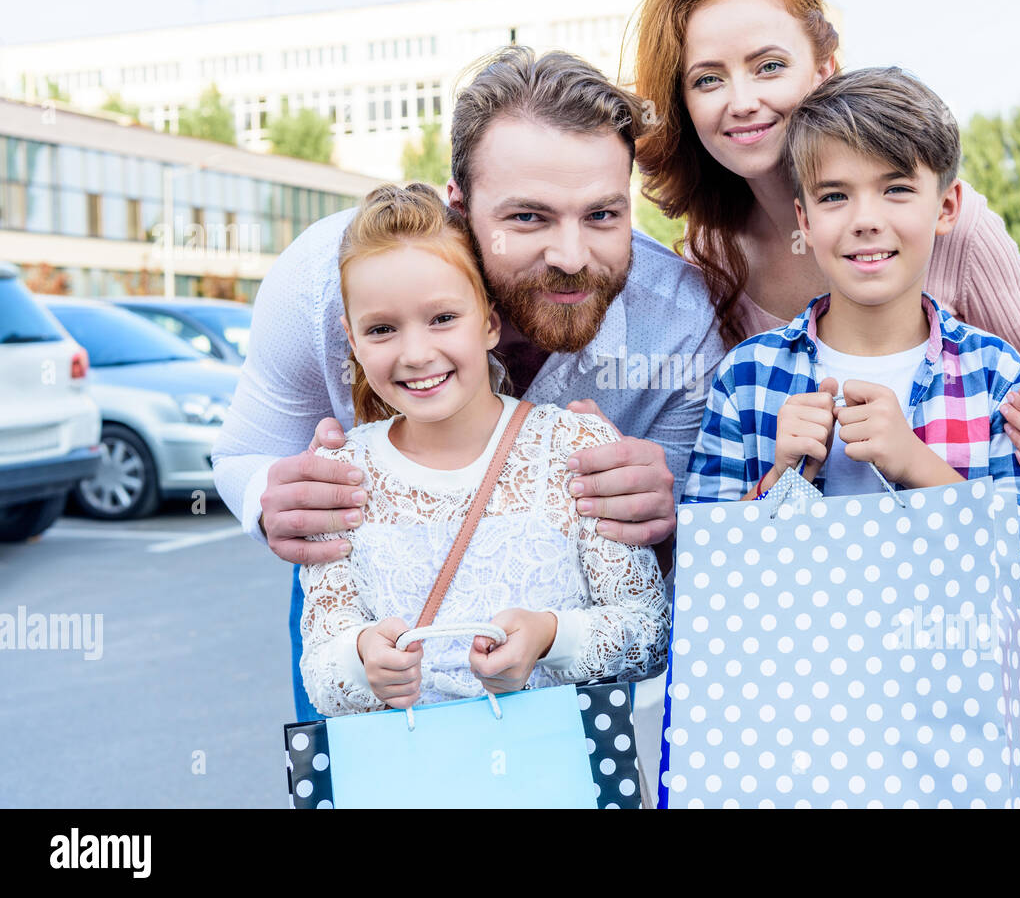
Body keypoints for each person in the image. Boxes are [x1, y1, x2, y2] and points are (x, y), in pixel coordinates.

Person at [210, 47, 724, 723]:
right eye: (528, 218)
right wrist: (273, 501)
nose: (571, 257)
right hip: (378, 648)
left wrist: (673, 508)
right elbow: (245, 451)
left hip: (560, 706)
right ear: (460, 207)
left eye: (602, 214)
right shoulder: (320, 281)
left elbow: (663, 593)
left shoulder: (679, 322)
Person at [681, 68, 1020, 786]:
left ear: (947, 205)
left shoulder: (994, 375)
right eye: (835, 196)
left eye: (897, 188)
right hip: (789, 749)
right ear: (803, 221)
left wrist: (920, 467)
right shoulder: (748, 379)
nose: (866, 218)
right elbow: (702, 592)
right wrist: (782, 477)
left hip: (955, 751)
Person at [631, 0, 1020, 484]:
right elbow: (724, 455)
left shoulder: (949, 222)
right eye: (708, 79)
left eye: (769, 66)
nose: (740, 100)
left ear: (823, 71)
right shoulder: (710, 259)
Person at [298, 182, 668, 715]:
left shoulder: (571, 446)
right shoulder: (340, 475)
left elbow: (648, 635)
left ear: (490, 322)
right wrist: (361, 660)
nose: (417, 353)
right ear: (352, 342)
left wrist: (548, 637)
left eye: (443, 318)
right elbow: (320, 673)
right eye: (382, 329)